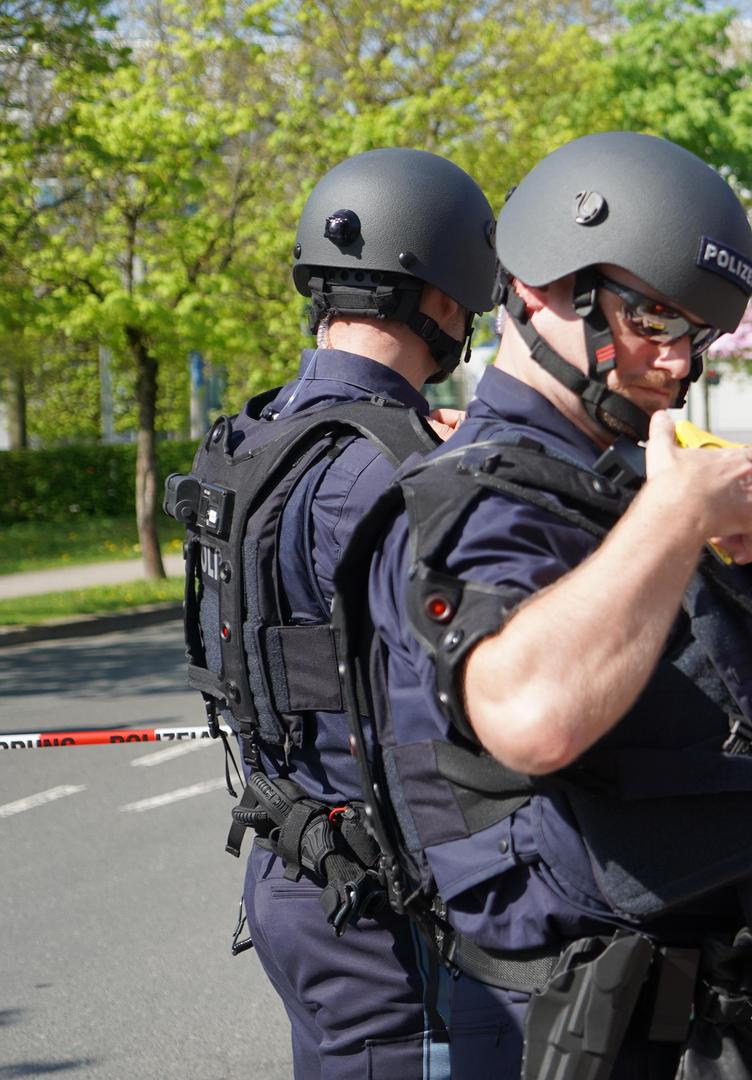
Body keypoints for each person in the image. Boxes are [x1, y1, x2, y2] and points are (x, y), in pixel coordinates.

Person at [335, 131, 752, 1079]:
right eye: (654, 318)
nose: (678, 363)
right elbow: (531, 719)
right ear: (543, 289)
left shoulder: (631, 480)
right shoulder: (468, 498)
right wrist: (673, 519)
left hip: (704, 1011)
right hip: (564, 1022)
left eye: (696, 334)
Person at [168, 147, 496, 1077]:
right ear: (439, 297)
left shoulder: (255, 438)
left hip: (290, 867)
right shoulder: (399, 470)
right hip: (385, 905)